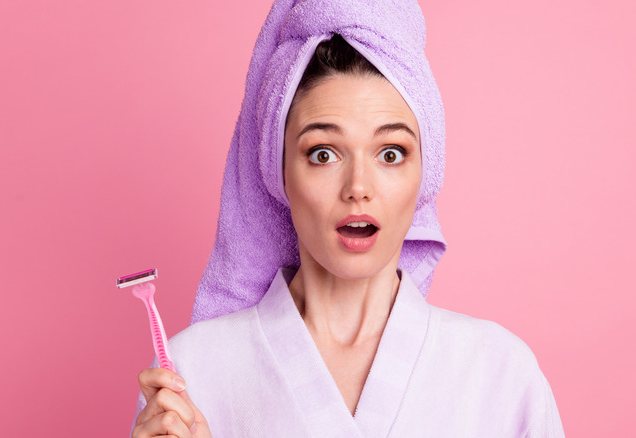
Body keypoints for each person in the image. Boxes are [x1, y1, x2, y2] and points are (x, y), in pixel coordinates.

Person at [132, 1, 564, 437]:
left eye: (391, 154)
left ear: (426, 173)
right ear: (278, 171)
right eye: (323, 154)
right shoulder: (192, 376)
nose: (358, 186)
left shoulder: (501, 376)